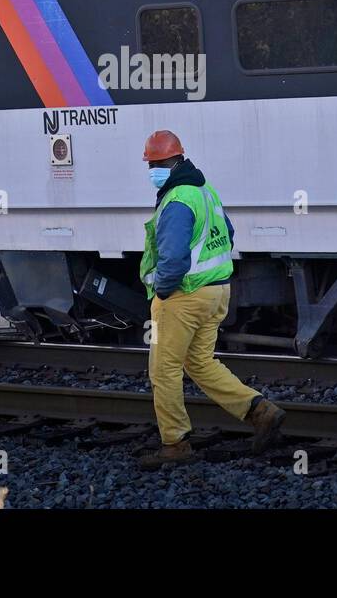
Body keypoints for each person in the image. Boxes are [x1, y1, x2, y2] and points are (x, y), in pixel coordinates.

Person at [138, 129, 285, 469]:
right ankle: (260, 410)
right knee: (200, 362)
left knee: (163, 370)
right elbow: (227, 233)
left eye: (155, 165)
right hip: (217, 291)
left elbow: (173, 258)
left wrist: (163, 291)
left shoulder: (177, 201)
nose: (153, 171)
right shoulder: (205, 191)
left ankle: (175, 444)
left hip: (184, 296)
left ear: (171, 164)